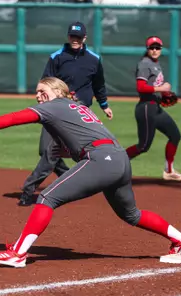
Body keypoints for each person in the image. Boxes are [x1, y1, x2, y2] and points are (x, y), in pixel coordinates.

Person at [0, 77, 181, 268]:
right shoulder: (77, 107)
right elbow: (81, 145)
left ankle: (18, 254)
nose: (38, 96)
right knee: (131, 215)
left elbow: (17, 118)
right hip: (119, 158)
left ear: (58, 91)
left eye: (42, 90)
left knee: (48, 197)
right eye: (36, 92)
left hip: (102, 159)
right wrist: (65, 150)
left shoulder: (54, 105)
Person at [18, 21, 114, 206]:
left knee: (51, 153)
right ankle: (69, 179)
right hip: (56, 110)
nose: (75, 40)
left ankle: (28, 190)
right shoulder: (57, 57)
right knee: (45, 151)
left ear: (84, 38)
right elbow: (45, 83)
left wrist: (104, 104)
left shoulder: (94, 59)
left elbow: (99, 84)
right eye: (72, 36)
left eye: (78, 37)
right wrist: (43, 103)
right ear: (68, 36)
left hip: (79, 114)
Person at [125, 36, 181, 181]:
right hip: (146, 108)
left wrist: (163, 94)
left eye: (157, 48)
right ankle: (113, 164)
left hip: (154, 106)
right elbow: (140, 87)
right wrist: (161, 88)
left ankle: (169, 170)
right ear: (147, 49)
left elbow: (153, 88)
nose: (154, 50)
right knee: (143, 146)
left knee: (175, 135)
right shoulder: (145, 64)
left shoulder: (156, 64)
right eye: (152, 48)